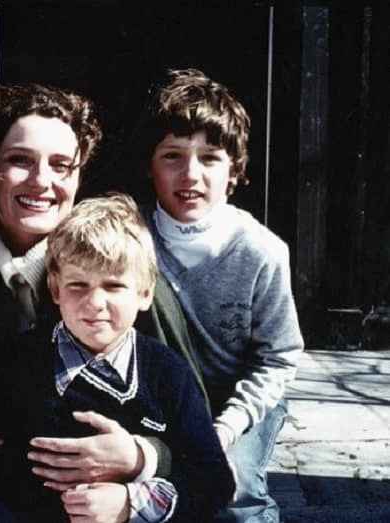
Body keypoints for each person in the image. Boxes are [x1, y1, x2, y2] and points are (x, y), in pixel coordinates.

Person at [0, 84, 204, 519]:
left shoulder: (126, 282)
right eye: (20, 160)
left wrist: (142, 455)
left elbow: (194, 438)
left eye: (61, 166)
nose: (41, 181)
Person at [0, 193, 236, 522]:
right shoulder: (14, 366)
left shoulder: (167, 373)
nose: (95, 303)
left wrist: (132, 502)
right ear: (55, 289)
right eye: (78, 285)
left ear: (145, 293)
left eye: (113, 286)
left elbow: (215, 483)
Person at [137, 69, 304, 522]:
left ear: (235, 169)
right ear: (150, 165)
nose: (190, 174)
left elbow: (277, 357)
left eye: (210, 158)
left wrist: (227, 428)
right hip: (160, 397)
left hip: (237, 400)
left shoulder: (261, 251)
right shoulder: (130, 237)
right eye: (172, 156)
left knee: (235, 491)